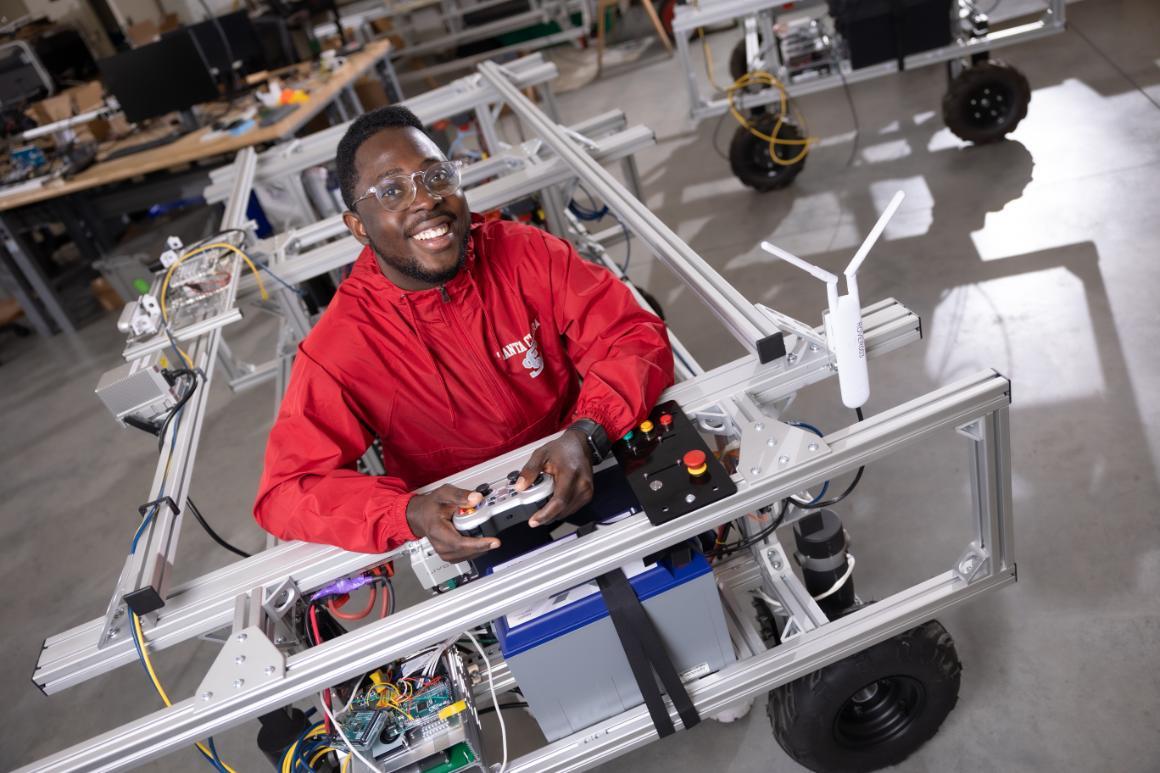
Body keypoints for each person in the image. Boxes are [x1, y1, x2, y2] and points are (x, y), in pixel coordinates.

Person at [253, 106, 674, 563]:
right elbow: (289, 490)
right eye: (393, 190)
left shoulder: (525, 252)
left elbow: (631, 333)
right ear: (358, 226)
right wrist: (407, 511)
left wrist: (589, 430)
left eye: (436, 178)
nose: (425, 200)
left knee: (673, 562)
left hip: (585, 457)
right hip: (472, 521)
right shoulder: (343, 346)